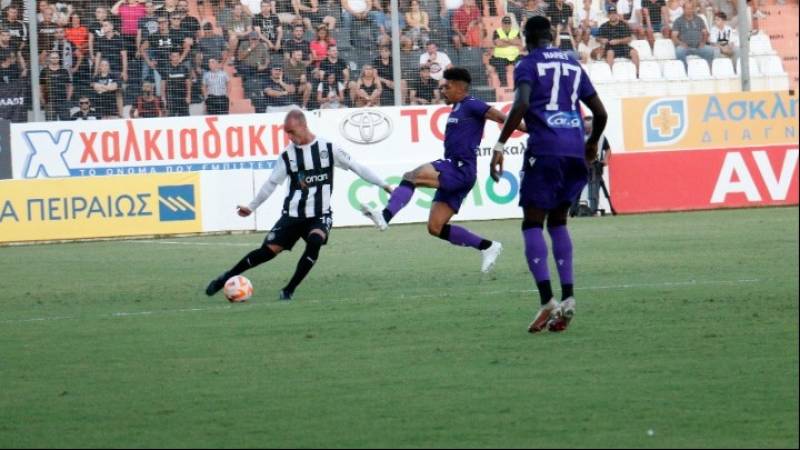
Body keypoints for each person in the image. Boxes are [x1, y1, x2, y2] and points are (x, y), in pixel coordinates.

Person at [490, 16, 607, 333]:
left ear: (527, 39)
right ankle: (568, 298)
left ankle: (547, 300)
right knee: (558, 222)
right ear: (552, 36)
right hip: (574, 151)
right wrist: (592, 143)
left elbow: (521, 103)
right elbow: (600, 113)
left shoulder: (528, 64)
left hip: (544, 150)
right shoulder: (572, 64)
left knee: (532, 223)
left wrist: (500, 144)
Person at [205, 109, 392, 300]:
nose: (289, 137)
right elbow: (271, 183)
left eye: (292, 132)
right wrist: (251, 207)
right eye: (287, 133)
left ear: (303, 126)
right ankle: (225, 278)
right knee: (267, 252)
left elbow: (358, 167)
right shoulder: (288, 155)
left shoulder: (328, 148)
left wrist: (384, 185)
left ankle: (289, 290)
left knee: (315, 242)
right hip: (293, 215)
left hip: (320, 214)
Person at [361, 67, 524, 274]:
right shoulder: (457, 108)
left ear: (458, 87)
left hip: (460, 168)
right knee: (435, 227)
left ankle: (385, 216)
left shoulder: (472, 104)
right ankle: (488, 246)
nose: (442, 91)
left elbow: (505, 119)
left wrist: (532, 130)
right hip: (458, 171)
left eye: (446, 87)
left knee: (411, 177)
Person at [672, 0, 714, 68]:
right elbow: (674, 36)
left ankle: (708, 70)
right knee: (679, 51)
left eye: (691, 8)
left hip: (698, 47)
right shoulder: (678, 21)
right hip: (685, 47)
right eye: (687, 8)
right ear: (683, 9)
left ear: (693, 9)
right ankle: (685, 70)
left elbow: (705, 33)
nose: (689, 10)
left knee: (710, 50)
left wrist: (703, 42)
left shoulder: (699, 19)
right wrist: (680, 43)